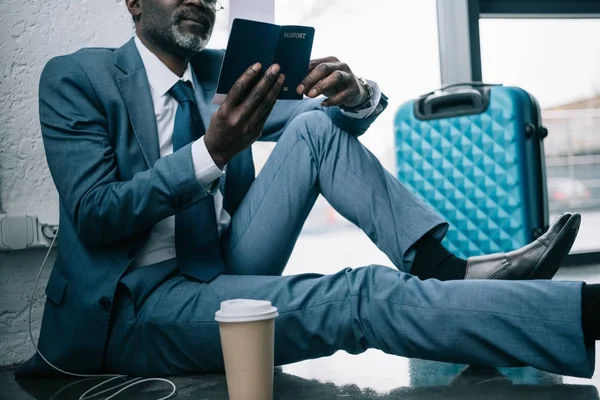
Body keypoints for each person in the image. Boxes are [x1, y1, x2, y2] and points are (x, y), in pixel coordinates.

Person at [17, 0, 598, 380]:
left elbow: (329, 118)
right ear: (134, 1)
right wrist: (211, 152)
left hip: (221, 261)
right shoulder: (78, 76)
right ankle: (581, 310)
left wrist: (356, 93)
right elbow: (95, 215)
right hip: (136, 302)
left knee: (316, 125)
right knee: (358, 297)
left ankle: (442, 268)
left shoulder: (226, 72)